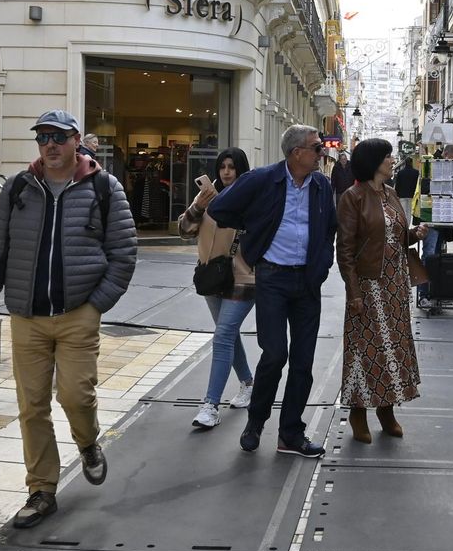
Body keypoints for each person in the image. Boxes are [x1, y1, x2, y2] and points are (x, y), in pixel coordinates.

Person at [0, 109, 138, 529]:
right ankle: (41, 489)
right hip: (27, 316)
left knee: (76, 396)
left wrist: (96, 304)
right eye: (43, 137)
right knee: (32, 407)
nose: (50, 145)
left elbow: (123, 253)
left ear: (75, 140)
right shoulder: (18, 188)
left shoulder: (103, 186)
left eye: (58, 137)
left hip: (78, 313)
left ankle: (87, 443)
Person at [207, 124, 336, 458]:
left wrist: (321, 266)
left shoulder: (321, 185)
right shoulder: (263, 179)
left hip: (307, 282)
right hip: (272, 279)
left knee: (303, 361)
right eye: (316, 147)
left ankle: (291, 433)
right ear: (297, 153)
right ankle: (255, 423)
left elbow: (328, 231)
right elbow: (220, 209)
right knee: (275, 354)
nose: (321, 152)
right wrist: (254, 230)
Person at [336, 137, 427, 441]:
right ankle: (358, 411)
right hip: (368, 284)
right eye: (387, 157)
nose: (392, 161)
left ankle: (386, 408)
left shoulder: (390, 194)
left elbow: (394, 236)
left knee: (394, 348)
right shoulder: (353, 197)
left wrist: (413, 233)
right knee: (366, 349)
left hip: (396, 284)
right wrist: (353, 292)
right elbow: (345, 249)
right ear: (373, 162)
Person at [178, 147, 256, 429]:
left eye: (232, 167)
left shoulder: (251, 200)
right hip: (211, 279)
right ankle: (248, 383)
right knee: (229, 336)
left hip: (243, 280)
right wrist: (198, 205)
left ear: (241, 170)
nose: (226, 171)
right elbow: (185, 231)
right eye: (222, 166)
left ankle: (210, 405)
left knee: (223, 336)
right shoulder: (207, 199)